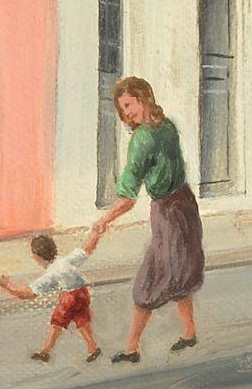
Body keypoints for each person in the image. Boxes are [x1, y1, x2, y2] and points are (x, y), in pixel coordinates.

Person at [87, 76, 205, 364]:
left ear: (143, 99)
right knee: (182, 271)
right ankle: (189, 332)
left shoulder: (142, 139)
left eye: (128, 105)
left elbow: (127, 195)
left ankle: (131, 348)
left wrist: (102, 223)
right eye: (122, 108)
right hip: (186, 206)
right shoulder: (166, 126)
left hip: (167, 212)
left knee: (151, 278)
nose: (126, 113)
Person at [0, 231, 103, 364]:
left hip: (69, 297)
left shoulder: (52, 273)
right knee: (82, 320)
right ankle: (93, 348)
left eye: (33, 255)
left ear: (38, 257)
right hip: (82, 293)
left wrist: (7, 285)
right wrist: (97, 231)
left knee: (57, 322)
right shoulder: (65, 260)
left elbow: (28, 293)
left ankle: (45, 352)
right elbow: (87, 248)